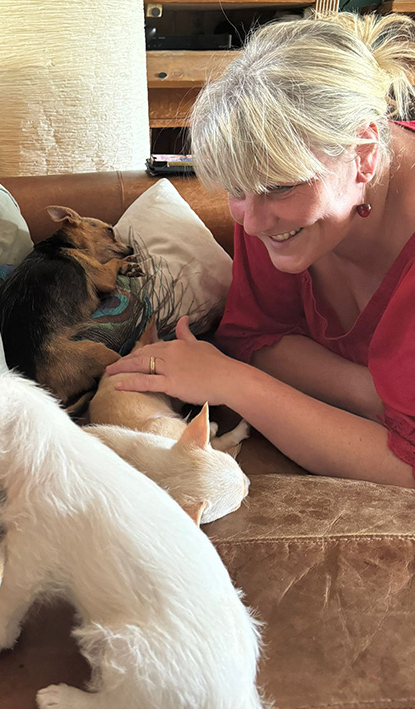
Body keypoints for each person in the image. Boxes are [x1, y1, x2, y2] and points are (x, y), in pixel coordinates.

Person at [105, 12, 415, 488]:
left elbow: (406, 467)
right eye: (235, 189)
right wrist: (370, 393)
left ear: (365, 152)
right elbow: (253, 339)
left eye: (279, 186)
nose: (250, 222)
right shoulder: (271, 215)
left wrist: (234, 383)